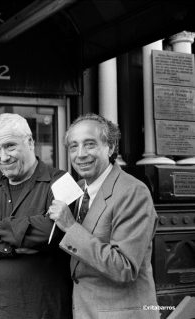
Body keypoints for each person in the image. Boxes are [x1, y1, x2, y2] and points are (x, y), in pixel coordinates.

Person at [0, 113, 73, 319]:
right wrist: (11, 248)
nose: (3, 157)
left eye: (10, 146)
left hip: (43, 311)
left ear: (30, 142)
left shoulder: (63, 180)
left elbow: (50, 233)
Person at [47, 113, 159, 319]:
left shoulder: (133, 191)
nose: (80, 154)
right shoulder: (78, 189)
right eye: (73, 146)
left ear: (110, 147)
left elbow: (124, 267)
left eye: (89, 144)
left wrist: (71, 227)